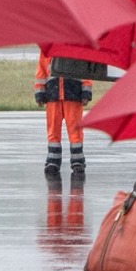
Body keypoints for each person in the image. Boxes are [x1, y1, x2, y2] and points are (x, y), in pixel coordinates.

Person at [34, 51, 92, 180]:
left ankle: (78, 162)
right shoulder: (47, 50)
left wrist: (86, 92)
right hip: (53, 95)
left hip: (73, 94)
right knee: (53, 130)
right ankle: (53, 162)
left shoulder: (77, 48)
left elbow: (85, 72)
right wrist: (40, 93)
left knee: (75, 130)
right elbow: (41, 72)